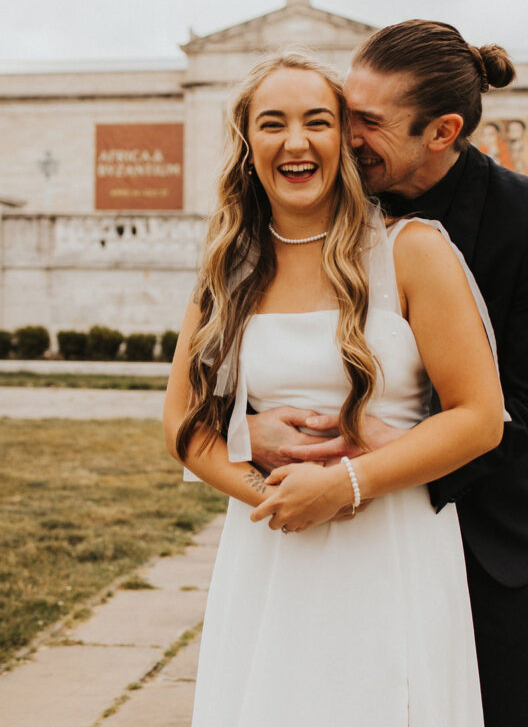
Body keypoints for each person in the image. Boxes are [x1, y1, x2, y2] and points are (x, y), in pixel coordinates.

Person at [163, 51, 505, 726]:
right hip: (272, 547)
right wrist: (272, 492)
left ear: (343, 139)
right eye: (272, 123)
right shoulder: (228, 268)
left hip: (390, 538)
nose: (295, 141)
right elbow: (182, 424)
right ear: (246, 144)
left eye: (316, 121)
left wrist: (346, 486)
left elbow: (478, 418)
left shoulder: (411, 250)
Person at [248, 22, 528, 727]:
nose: (343, 134)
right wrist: (250, 425)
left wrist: (398, 452)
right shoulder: (322, 199)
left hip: (482, 532)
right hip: (340, 538)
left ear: (441, 130)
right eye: (345, 108)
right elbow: (273, 340)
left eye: (365, 120)